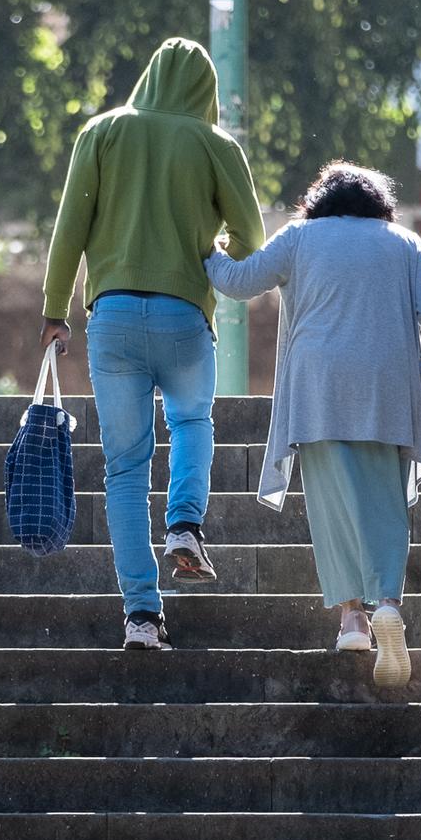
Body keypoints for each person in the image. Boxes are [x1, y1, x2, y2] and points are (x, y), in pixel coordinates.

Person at [40, 37, 266, 651]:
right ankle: (186, 524)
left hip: (110, 320)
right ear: (206, 92)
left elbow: (70, 229)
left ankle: (142, 616)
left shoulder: (102, 132)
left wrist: (54, 312)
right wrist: (213, 256)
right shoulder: (216, 145)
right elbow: (253, 237)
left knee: (124, 470)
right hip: (185, 318)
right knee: (192, 419)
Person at [204, 162, 421, 689]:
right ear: (377, 204)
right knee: (385, 499)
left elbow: (239, 282)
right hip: (386, 387)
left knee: (330, 502)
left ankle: (352, 620)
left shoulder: (300, 236)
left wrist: (208, 247)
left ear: (318, 202)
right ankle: (386, 602)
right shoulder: (403, 242)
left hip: (318, 387)